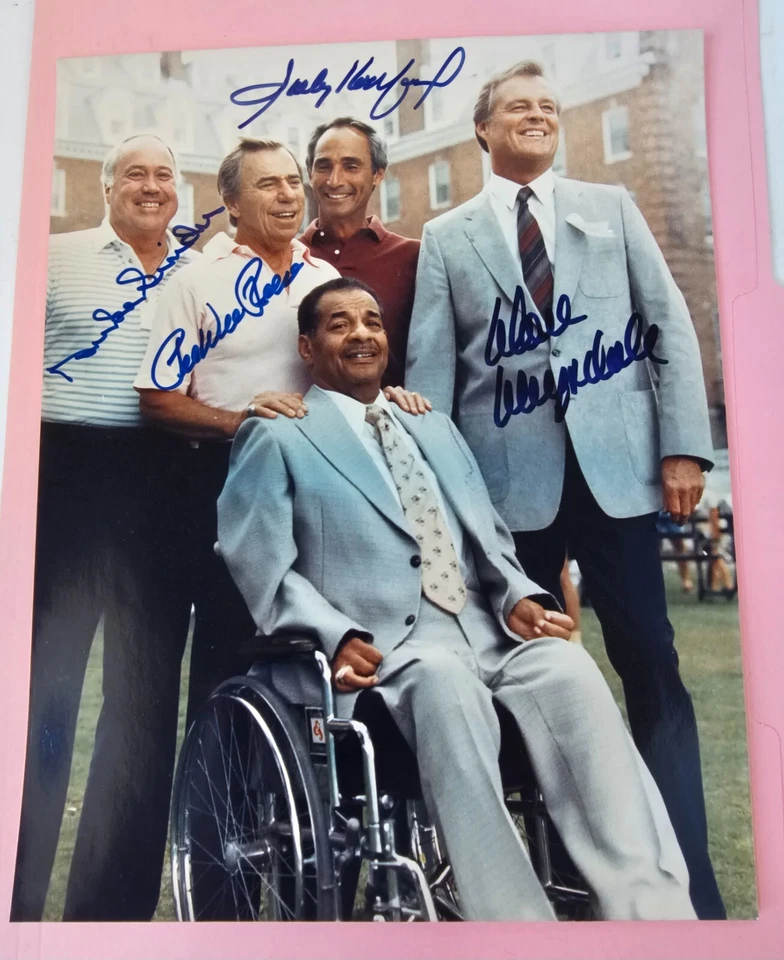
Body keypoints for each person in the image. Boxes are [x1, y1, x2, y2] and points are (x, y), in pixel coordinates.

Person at [217, 276, 697, 922]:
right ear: (308, 347)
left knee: (570, 670)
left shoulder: (433, 426)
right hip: (389, 656)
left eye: (372, 321)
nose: (361, 334)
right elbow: (262, 565)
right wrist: (335, 634)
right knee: (444, 681)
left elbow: (488, 539)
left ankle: (652, 914)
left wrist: (519, 594)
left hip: (490, 637)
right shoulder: (278, 437)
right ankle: (513, 926)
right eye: (339, 325)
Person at [404, 60, 725, 919]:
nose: (537, 117)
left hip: (618, 483)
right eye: (518, 108)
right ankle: (569, 881)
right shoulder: (448, 237)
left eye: (549, 106)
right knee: (535, 676)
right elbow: (431, 382)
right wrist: (449, 505)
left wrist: (683, 448)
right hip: (508, 499)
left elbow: (669, 329)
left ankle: (687, 879)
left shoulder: (610, 211)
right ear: (483, 129)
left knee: (651, 665)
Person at [134, 137, 426, 714]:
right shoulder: (196, 281)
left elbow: (347, 367)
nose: (290, 193)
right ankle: (218, 797)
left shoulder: (323, 277)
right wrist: (239, 420)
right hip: (225, 477)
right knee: (230, 646)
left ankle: (304, 798)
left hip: (323, 482)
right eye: (268, 184)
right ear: (232, 202)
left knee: (313, 644)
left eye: (293, 180)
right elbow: (157, 398)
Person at [12, 134, 198, 921]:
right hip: (68, 477)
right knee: (41, 696)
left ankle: (110, 914)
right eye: (135, 174)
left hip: (164, 482)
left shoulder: (204, 270)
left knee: (145, 700)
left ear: (180, 189)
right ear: (105, 184)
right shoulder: (51, 257)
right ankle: (13, 901)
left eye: (164, 174)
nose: (150, 187)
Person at [301, 117, 420, 386]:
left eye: (351, 166)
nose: (334, 180)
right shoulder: (288, 257)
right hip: (302, 420)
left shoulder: (413, 256)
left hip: (389, 420)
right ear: (309, 172)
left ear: (378, 174)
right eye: (323, 166)